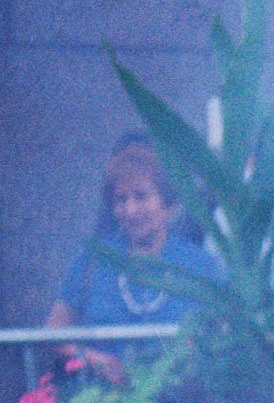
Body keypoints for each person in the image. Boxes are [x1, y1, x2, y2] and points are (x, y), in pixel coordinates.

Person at [47, 138, 222, 380]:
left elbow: (225, 336)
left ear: (167, 203)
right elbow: (54, 335)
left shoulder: (202, 265)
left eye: (141, 196)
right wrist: (94, 360)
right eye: (121, 199)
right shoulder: (92, 260)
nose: (130, 210)